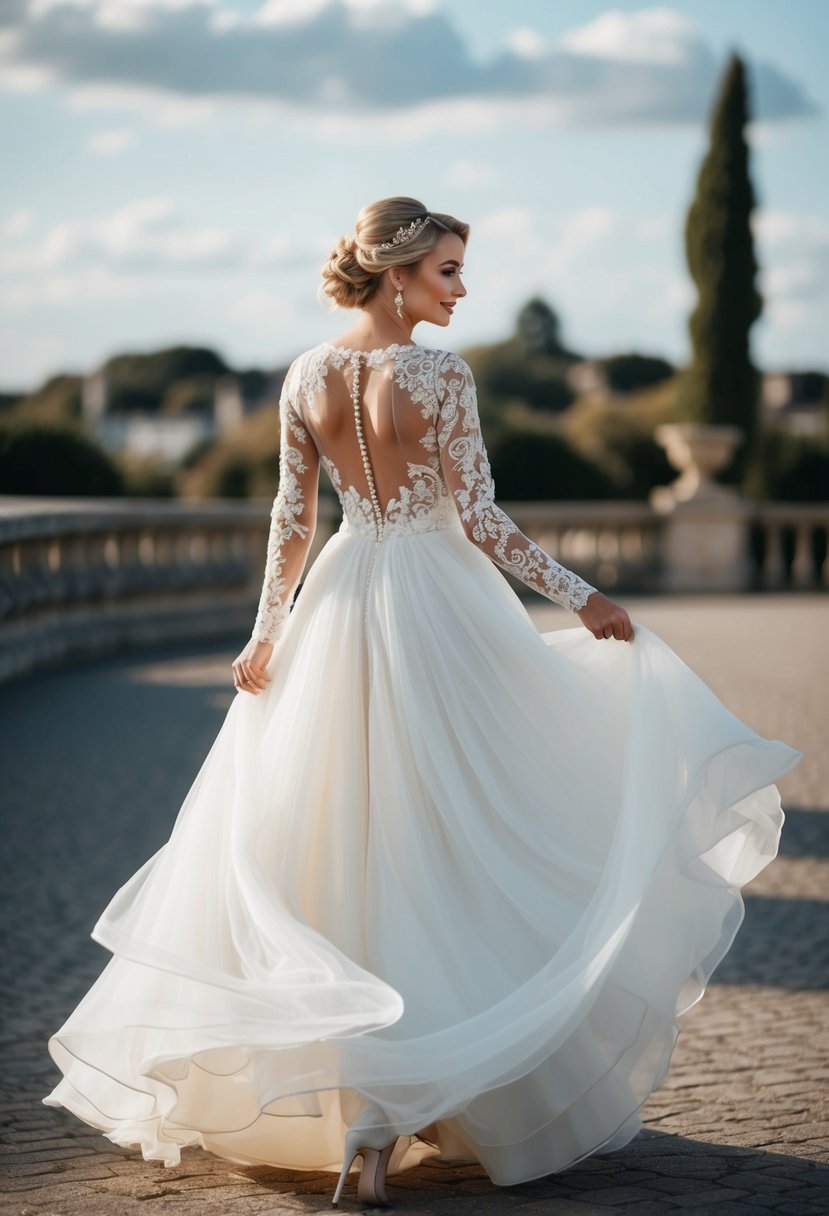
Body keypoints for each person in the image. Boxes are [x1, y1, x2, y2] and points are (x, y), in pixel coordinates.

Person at [44, 196, 802, 1208]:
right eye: (447, 271)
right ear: (399, 276)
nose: (460, 289)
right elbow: (481, 521)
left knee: (340, 845)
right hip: (437, 607)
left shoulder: (306, 374)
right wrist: (584, 597)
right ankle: (402, 1105)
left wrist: (265, 633)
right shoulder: (441, 374)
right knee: (456, 838)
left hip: (341, 606)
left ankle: (370, 1114)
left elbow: (292, 518)